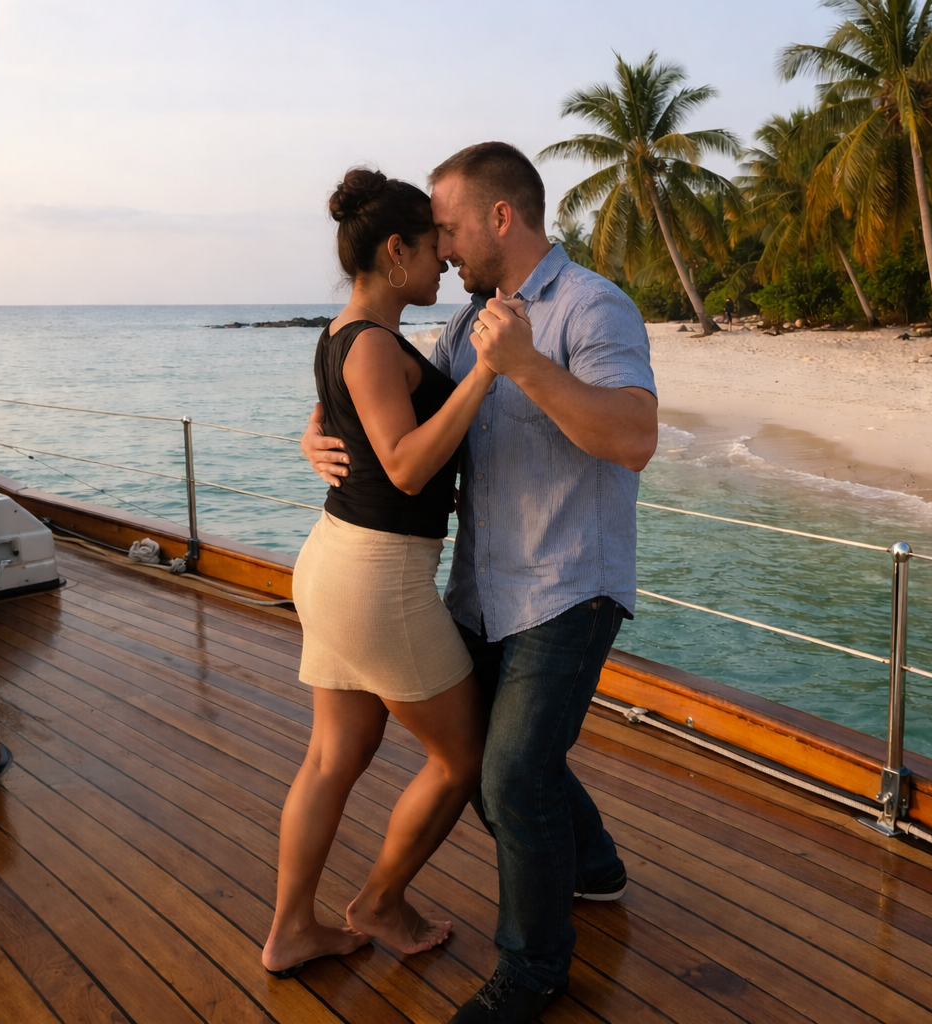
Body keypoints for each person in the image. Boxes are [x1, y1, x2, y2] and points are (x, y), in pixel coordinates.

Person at [302, 142, 658, 1024]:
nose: (444, 246)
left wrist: (532, 366)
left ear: (503, 218)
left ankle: (532, 972)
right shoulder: (465, 327)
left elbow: (635, 436)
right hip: (480, 590)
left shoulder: (591, 306)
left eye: (451, 227)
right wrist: (313, 429)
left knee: (507, 777)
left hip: (568, 588)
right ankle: (595, 867)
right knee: (505, 763)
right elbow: (379, 383)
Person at [262, 168, 499, 979]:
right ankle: (379, 902)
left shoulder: (346, 334)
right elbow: (400, 467)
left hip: (338, 565)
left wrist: (312, 435)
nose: (443, 265)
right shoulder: (369, 343)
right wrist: (484, 377)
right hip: (377, 578)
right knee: (462, 759)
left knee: (335, 755)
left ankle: (293, 929)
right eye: (434, 251)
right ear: (396, 252)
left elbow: (347, 430)